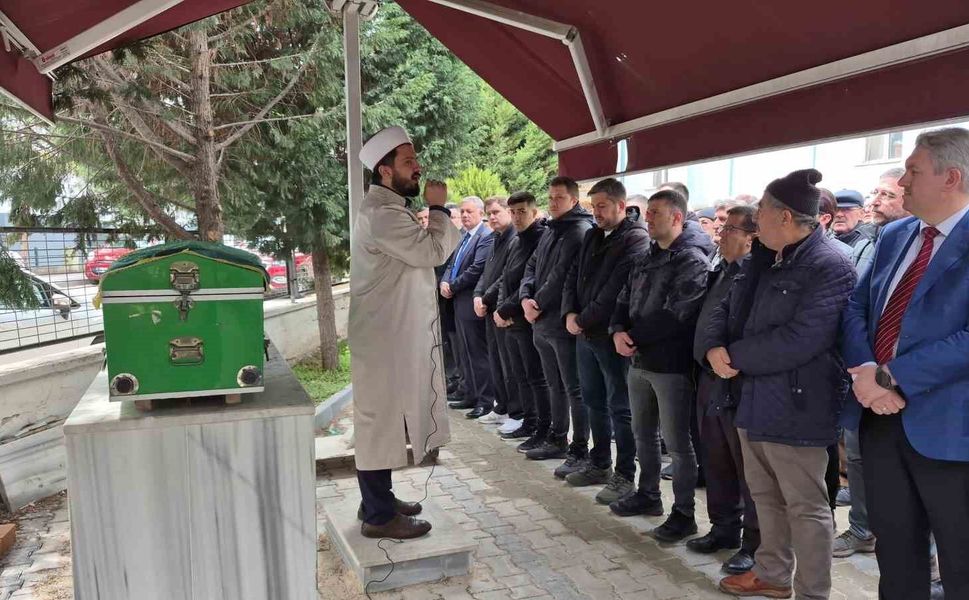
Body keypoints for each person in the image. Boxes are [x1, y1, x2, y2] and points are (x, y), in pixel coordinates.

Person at [700, 168, 856, 599]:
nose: (755, 223)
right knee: (765, 496)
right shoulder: (765, 258)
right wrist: (714, 346)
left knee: (806, 508)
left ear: (785, 217)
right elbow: (725, 306)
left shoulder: (830, 264)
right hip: (753, 398)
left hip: (799, 406)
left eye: (762, 214)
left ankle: (812, 591)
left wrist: (732, 357)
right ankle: (772, 575)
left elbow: (804, 338)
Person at [842, 127, 969, 600]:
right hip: (880, 421)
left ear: (951, 177)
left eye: (913, 172)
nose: (903, 183)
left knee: (960, 560)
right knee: (895, 553)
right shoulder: (896, 235)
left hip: (950, 430)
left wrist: (891, 375)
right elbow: (857, 307)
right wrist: (864, 372)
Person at [349, 126, 461, 539]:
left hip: (387, 335)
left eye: (416, 159)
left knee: (385, 420)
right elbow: (431, 251)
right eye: (408, 162)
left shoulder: (387, 208)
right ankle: (378, 518)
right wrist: (440, 210)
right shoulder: (382, 213)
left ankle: (377, 499)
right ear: (384, 170)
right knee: (379, 421)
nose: (418, 168)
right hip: (383, 339)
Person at [609, 189, 710, 543]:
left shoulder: (692, 260)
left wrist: (632, 335)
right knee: (643, 434)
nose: (646, 217)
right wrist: (618, 330)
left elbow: (678, 315)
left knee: (679, 445)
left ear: (677, 217)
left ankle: (683, 514)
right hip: (638, 360)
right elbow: (624, 298)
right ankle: (648, 494)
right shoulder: (647, 255)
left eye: (654, 213)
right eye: (647, 212)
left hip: (671, 366)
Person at [561, 177, 650, 505]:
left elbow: (615, 290)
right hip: (584, 333)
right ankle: (599, 462)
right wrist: (569, 312)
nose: (595, 212)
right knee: (592, 400)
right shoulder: (592, 235)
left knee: (620, 407)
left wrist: (582, 319)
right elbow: (573, 275)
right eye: (592, 206)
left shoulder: (635, 239)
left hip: (609, 336)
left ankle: (625, 474)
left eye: (601, 206)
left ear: (620, 206)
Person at [687, 205, 760, 575]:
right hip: (710, 380)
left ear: (751, 237)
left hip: (738, 383)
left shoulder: (755, 276)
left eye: (728, 228)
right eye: (720, 227)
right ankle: (723, 528)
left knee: (747, 469)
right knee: (715, 460)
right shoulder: (723, 271)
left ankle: (754, 544)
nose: (719, 234)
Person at [519, 176, 594, 478]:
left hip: (559, 323)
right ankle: (557, 437)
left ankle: (579, 448)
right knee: (554, 385)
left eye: (559, 198)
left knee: (573, 388)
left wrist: (535, 303)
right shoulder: (552, 230)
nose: (552, 203)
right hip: (540, 321)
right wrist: (525, 297)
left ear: (574, 200)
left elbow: (562, 277)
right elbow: (532, 267)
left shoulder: (578, 231)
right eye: (549, 198)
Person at [495, 192, 551, 447]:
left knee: (535, 377)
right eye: (514, 212)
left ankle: (542, 426)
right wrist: (499, 309)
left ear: (534, 212)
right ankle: (529, 422)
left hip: (526, 319)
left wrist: (505, 310)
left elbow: (529, 283)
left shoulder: (540, 238)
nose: (517, 217)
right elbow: (505, 278)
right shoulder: (517, 241)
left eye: (522, 211)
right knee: (521, 376)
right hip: (510, 320)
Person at [441, 197, 495, 420]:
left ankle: (485, 400)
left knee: (478, 355)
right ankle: (471, 394)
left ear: (480, 213)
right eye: (462, 211)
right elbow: (452, 264)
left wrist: (452, 286)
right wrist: (444, 281)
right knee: (465, 354)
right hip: (458, 302)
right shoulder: (463, 236)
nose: (464, 215)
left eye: (469, 212)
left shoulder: (485, 236)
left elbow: (476, 269)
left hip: (470, 300)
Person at [473, 197, 522, 432]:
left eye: (496, 212)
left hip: (504, 309)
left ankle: (516, 411)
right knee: (496, 361)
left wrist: (486, 297)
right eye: (488, 213)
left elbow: (505, 275)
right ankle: (501, 406)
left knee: (509, 364)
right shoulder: (494, 238)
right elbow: (486, 272)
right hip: (490, 309)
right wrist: (478, 294)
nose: (492, 217)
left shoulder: (513, 238)